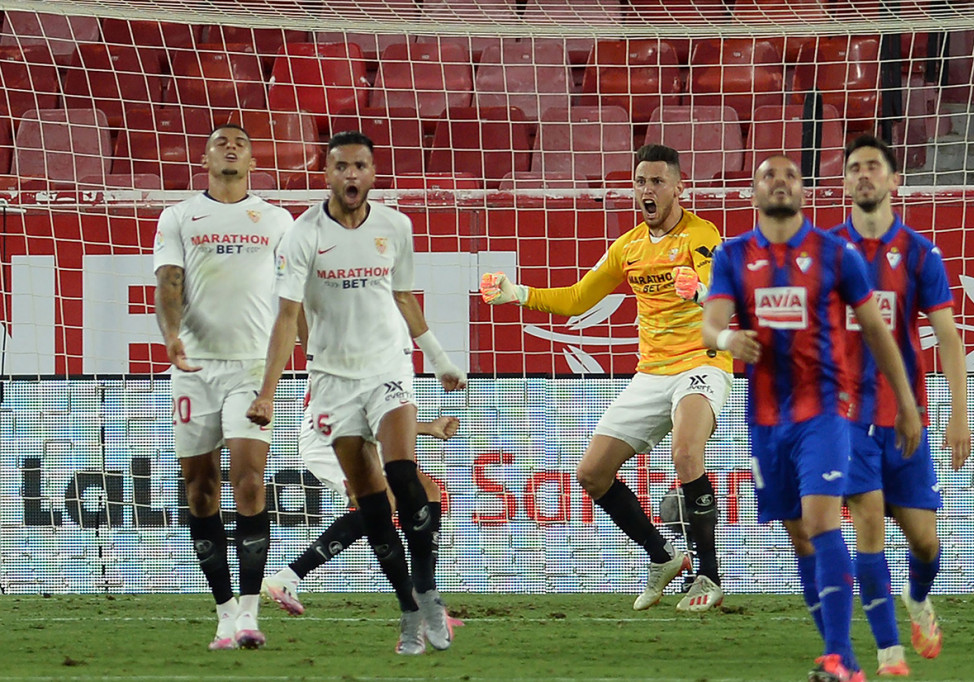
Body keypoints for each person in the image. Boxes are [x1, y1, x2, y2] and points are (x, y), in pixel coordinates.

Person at [481, 143, 731, 612]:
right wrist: (518, 292)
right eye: (640, 182)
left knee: (685, 450)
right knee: (591, 474)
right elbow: (578, 298)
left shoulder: (701, 234)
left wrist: (698, 291)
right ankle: (662, 556)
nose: (647, 190)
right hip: (650, 373)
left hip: (701, 362)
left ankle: (709, 577)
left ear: (680, 186)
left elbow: (722, 295)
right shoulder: (629, 247)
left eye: (657, 181)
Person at [701, 155, 922, 682]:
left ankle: (840, 659)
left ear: (805, 191)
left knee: (823, 523)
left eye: (791, 176)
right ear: (751, 193)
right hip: (765, 419)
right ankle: (836, 651)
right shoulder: (732, 255)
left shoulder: (835, 254)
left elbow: (876, 332)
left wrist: (908, 405)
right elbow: (709, 327)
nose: (779, 182)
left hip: (824, 412)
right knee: (800, 535)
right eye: (768, 176)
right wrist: (729, 339)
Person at [247, 130, 467, 656]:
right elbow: (286, 319)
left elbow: (405, 298)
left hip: (389, 368)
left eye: (360, 166)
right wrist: (269, 392)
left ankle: (429, 592)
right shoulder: (302, 236)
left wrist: (439, 361)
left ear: (372, 173)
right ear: (326, 174)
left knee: (402, 473)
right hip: (332, 381)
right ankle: (410, 612)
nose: (351, 175)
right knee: (371, 507)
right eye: (341, 166)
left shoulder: (396, 226)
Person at [833, 135, 971, 676]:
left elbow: (949, 338)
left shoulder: (919, 252)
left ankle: (917, 598)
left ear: (894, 181)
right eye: (854, 168)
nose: (863, 174)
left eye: (874, 166)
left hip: (905, 419)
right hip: (846, 419)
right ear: (844, 182)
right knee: (867, 520)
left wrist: (959, 413)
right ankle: (889, 650)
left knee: (925, 541)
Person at [153, 124, 294, 650]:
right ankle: (223, 612)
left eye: (240, 141)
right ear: (206, 156)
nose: (231, 146)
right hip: (195, 370)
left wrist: (284, 372)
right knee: (201, 490)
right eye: (220, 142)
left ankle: (251, 614)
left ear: (253, 158)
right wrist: (170, 335)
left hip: (253, 368)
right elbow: (169, 283)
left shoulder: (278, 220)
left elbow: (291, 302)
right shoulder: (180, 217)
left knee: (250, 481)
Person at [261, 390, 458, 615]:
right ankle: (288, 577)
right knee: (381, 503)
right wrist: (426, 427)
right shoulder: (359, 364)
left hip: (357, 431)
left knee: (428, 490)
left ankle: (425, 597)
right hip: (328, 433)